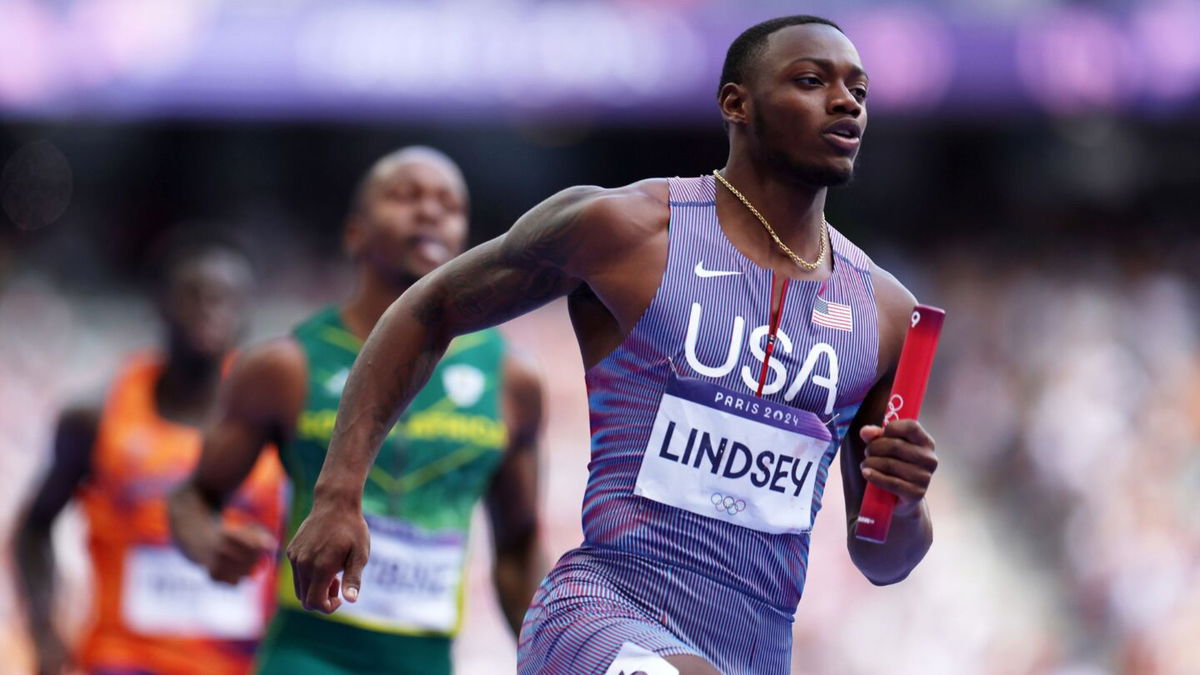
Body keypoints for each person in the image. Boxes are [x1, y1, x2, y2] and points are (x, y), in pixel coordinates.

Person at [287, 16, 941, 674]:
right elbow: (428, 308)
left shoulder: (885, 312)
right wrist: (339, 493)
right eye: (811, 80)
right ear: (735, 103)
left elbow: (885, 559)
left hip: (755, 653)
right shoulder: (627, 229)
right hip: (599, 615)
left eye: (859, 89)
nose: (845, 101)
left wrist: (904, 501)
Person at [168, 147, 546, 674]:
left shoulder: (512, 381)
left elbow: (518, 546)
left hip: (429, 661)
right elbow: (193, 497)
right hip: (308, 655)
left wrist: (548, 656)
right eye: (405, 196)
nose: (430, 211)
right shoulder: (285, 366)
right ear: (355, 234)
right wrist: (208, 543)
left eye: (449, 204)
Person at [14, 241, 284, 675]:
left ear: (246, 316)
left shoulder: (273, 421)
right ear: (160, 304)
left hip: (240, 665)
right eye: (192, 295)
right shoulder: (98, 415)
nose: (208, 310)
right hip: (124, 662)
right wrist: (44, 632)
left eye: (224, 298)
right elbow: (34, 527)